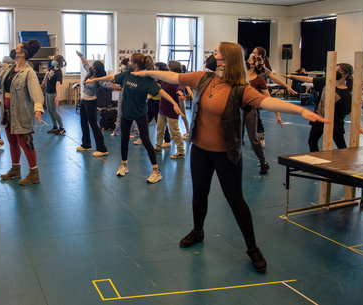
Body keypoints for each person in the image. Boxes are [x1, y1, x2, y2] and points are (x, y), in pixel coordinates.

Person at [133, 42, 328, 273]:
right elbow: (173, 76)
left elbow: (267, 101)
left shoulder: (240, 89)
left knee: (236, 200)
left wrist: (301, 110)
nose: (213, 55)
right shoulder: (203, 78)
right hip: (200, 151)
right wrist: (146, 72)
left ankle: (252, 248)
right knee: (199, 194)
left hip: (227, 154)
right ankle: (198, 231)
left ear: (226, 60)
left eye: (217, 52)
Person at [86, 53, 183, 183]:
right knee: (124, 139)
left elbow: (161, 92)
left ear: (135, 64)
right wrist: (94, 80)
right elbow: (112, 78)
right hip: (126, 112)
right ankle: (124, 165)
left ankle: (156, 171)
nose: (129, 63)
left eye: (131, 61)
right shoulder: (128, 73)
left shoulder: (147, 79)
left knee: (146, 140)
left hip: (140, 113)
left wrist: (174, 103)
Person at [0, 39, 44, 185]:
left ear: (22, 53)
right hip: (8, 113)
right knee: (12, 141)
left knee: (25, 143)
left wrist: (38, 107)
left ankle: (34, 174)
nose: (14, 50)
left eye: (17, 48)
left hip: (22, 113)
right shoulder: (9, 69)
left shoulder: (28, 72)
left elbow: (36, 91)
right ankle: (15, 170)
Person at [285, 63, 355, 152]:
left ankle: (347, 164)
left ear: (345, 74)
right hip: (319, 118)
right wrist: (292, 76)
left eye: (338, 71)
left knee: (341, 146)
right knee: (312, 142)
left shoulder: (346, 92)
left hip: (335, 123)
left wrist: (358, 125)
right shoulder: (326, 82)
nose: (335, 72)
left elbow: (350, 111)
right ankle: (316, 161)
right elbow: (308, 79)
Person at [245, 54, 283, 174]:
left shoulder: (258, 80)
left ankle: (263, 162)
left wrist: (277, 113)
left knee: (253, 139)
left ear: (253, 64)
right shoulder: (240, 76)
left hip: (250, 110)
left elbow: (268, 98)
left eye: (250, 59)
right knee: (233, 137)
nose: (247, 60)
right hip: (237, 109)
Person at [76, 51, 110, 156]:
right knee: (83, 122)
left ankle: (102, 149)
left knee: (94, 125)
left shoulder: (99, 79)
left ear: (96, 68)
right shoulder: (90, 72)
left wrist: (121, 87)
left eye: (93, 66)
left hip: (91, 102)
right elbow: (85, 64)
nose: (91, 66)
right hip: (83, 101)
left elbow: (108, 85)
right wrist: (80, 55)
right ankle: (86, 144)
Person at [134, 62, 171, 146]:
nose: (155, 69)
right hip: (151, 100)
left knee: (160, 121)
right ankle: (143, 138)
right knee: (146, 120)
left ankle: (167, 140)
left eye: (156, 68)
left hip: (158, 101)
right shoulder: (156, 76)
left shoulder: (163, 78)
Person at [155, 60, 186, 159]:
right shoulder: (165, 78)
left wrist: (180, 92)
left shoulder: (178, 79)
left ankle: (180, 151)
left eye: (169, 67)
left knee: (174, 131)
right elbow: (157, 79)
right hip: (162, 108)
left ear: (172, 68)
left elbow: (180, 87)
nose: (167, 68)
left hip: (172, 110)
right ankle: (158, 147)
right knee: (160, 129)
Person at [111, 59, 139, 138]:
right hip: (122, 94)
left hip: (132, 95)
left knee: (133, 113)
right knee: (120, 113)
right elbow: (117, 80)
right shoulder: (124, 74)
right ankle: (117, 130)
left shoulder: (134, 73)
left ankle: (134, 132)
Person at [42, 54, 66, 135]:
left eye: (54, 59)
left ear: (57, 62)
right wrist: (44, 81)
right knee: (49, 110)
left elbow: (58, 84)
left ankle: (62, 128)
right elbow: (47, 73)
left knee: (54, 111)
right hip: (47, 91)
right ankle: (55, 127)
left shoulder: (59, 72)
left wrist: (58, 96)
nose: (52, 61)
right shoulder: (51, 68)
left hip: (53, 93)